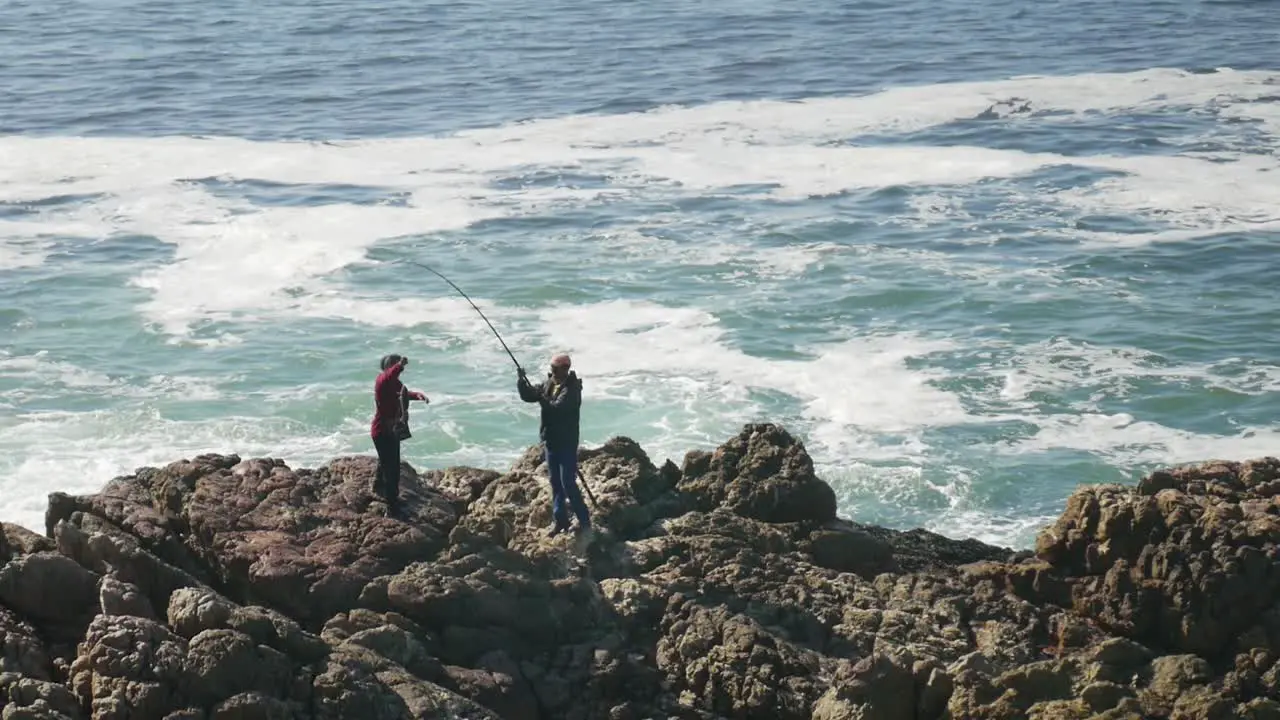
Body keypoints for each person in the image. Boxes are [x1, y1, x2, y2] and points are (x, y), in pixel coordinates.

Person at [517, 353, 590, 536]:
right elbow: (528, 396)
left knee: (568, 484)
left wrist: (541, 398)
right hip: (551, 442)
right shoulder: (549, 384)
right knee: (555, 483)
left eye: (555, 369)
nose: (552, 372)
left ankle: (584, 521)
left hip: (566, 443)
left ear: (565, 369)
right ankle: (561, 522)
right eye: (551, 368)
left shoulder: (572, 390)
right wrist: (521, 382)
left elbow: (557, 409)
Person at [371, 354, 428, 513]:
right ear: (389, 367)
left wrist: (417, 395)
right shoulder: (381, 381)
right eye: (394, 364)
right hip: (382, 431)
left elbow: (403, 394)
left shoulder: (394, 383)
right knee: (392, 469)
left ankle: (378, 486)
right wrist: (401, 365)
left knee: (387, 461)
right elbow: (390, 375)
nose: (398, 368)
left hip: (392, 430)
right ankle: (392, 506)